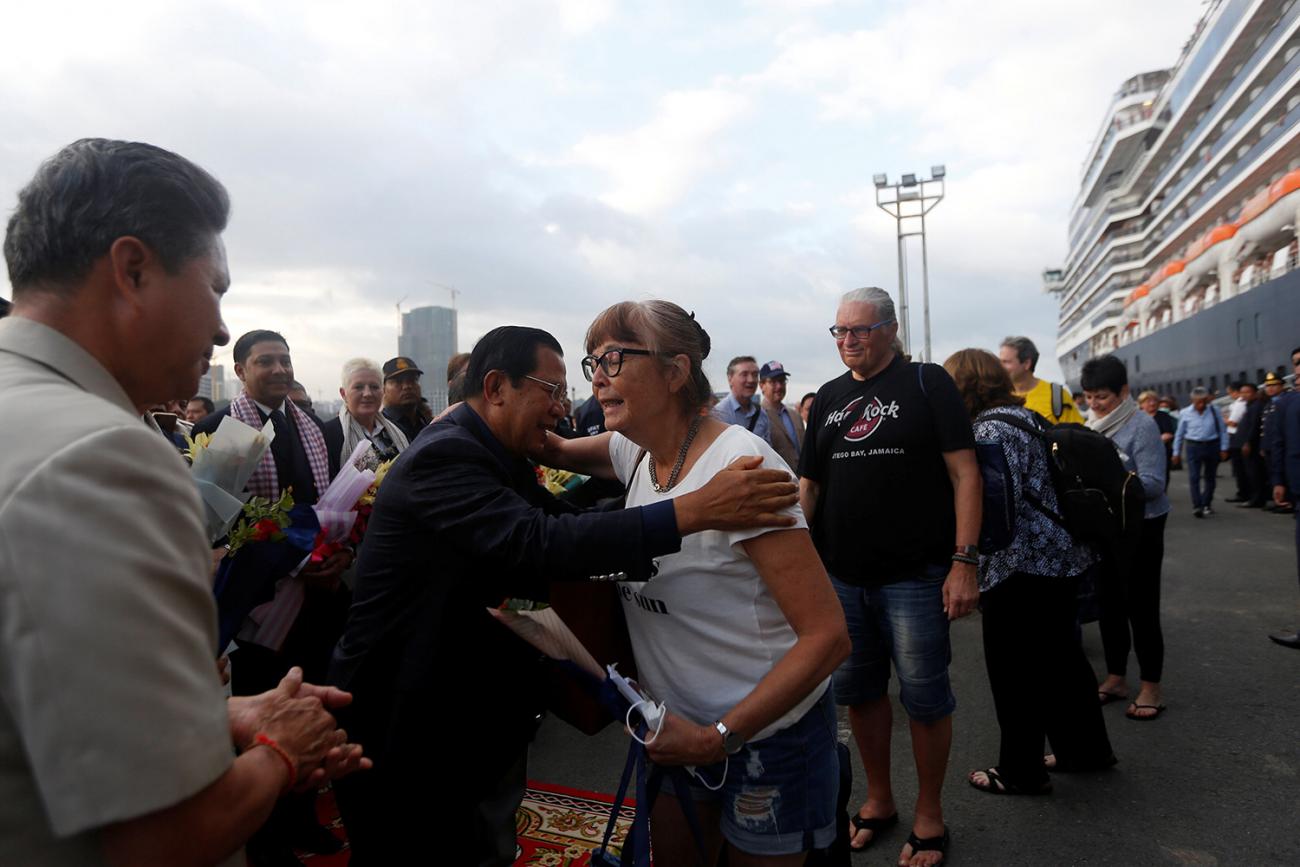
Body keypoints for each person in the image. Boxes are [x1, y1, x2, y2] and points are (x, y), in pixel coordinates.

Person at [0, 137, 366, 866]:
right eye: (217, 289)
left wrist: (212, 714)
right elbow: (162, 837)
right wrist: (282, 752)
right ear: (133, 270)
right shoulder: (105, 457)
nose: (223, 328)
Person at [328, 325, 803, 866]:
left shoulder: (493, 447)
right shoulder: (447, 455)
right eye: (551, 391)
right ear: (496, 386)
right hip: (409, 718)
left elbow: (562, 520)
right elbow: (541, 541)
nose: (563, 407)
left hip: (468, 710)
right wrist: (695, 510)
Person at [544, 301, 849, 864]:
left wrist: (718, 737)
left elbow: (828, 637)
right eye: (592, 364)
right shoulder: (636, 451)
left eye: (613, 357)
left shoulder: (741, 467)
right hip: (671, 731)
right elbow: (550, 447)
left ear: (676, 370)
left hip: (765, 738)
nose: (599, 376)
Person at [799, 287, 981, 867]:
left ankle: (930, 814)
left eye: (860, 330)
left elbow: (965, 474)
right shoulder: (827, 398)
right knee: (861, 694)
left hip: (917, 577)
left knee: (926, 699)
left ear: (891, 328)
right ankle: (879, 800)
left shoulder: (928, 384)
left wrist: (964, 561)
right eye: (839, 332)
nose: (848, 342)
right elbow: (810, 489)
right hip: (842, 579)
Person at [192, 329, 352, 865]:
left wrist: (336, 554)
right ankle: (265, 838)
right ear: (240, 370)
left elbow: (329, 503)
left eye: (286, 360)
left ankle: (303, 819)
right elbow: (208, 526)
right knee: (264, 721)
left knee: (306, 706)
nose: (280, 370)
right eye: (266, 361)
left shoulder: (309, 428)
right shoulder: (226, 429)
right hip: (256, 609)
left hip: (313, 596)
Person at [941, 349, 1112, 796]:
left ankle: (1020, 771)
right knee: (1063, 662)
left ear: (963, 386)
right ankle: (1085, 749)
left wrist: (968, 562)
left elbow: (998, 509)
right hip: (1059, 557)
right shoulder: (1022, 416)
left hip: (1020, 567)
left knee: (1014, 672)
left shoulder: (987, 430)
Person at [1081, 356, 1171, 721]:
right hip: (1106, 528)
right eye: (1088, 397)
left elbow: (1153, 484)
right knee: (1109, 604)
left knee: (1143, 606)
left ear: (1123, 392)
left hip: (1143, 526)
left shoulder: (1142, 426)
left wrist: (1107, 477)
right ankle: (1116, 677)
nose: (1094, 404)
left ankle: (1151, 686)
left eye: (1102, 396)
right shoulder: (1091, 424)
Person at [1266, 346, 1300, 649]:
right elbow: (1279, 443)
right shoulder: (1288, 403)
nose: (1298, 370)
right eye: (1296, 364)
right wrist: (1278, 481)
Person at [322, 357, 410, 471]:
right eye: (358, 387)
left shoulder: (399, 431)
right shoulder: (328, 436)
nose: (367, 394)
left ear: (383, 391)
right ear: (343, 394)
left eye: (374, 387)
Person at [998, 336, 1085, 425]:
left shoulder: (1057, 395)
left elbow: (1077, 434)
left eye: (1006, 362)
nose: (1000, 366)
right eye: (999, 362)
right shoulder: (997, 396)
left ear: (1027, 363)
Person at [1171, 386, 1229, 517]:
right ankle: (1197, 506)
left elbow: (1223, 430)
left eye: (1204, 401)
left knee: (1210, 477)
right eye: (1198, 402)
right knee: (1194, 477)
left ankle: (1206, 503)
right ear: (1193, 400)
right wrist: (1176, 453)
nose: (1201, 404)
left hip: (1212, 445)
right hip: (1193, 446)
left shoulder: (1215, 411)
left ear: (1207, 399)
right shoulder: (1185, 413)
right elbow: (1179, 434)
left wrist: (1224, 448)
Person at [711, 354, 772, 444]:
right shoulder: (718, 414)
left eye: (755, 375)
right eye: (744, 374)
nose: (751, 380)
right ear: (730, 378)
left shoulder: (761, 414)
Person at [759, 359, 805, 473]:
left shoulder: (795, 415)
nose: (779, 386)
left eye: (782, 381)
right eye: (773, 382)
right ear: (762, 385)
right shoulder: (758, 416)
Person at [1261, 372, 1293, 514]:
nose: (1270, 388)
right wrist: (1264, 445)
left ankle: (1287, 502)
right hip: (1270, 446)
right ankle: (1280, 500)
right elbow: (1266, 428)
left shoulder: (1285, 402)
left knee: (1283, 474)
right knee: (1274, 473)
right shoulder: (1270, 403)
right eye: (1268, 386)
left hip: (1280, 445)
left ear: (1282, 386)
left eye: (1274, 385)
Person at [379, 355, 427, 443]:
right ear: (383, 389)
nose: (407, 386)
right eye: (398, 382)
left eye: (413, 380)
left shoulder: (429, 423)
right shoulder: (379, 429)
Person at [1139, 390, 1176, 488]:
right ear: (1141, 404)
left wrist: (1152, 442)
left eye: (1155, 400)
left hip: (1162, 452)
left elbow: (1168, 434)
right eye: (1148, 401)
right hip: (1141, 453)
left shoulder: (1163, 416)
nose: (1152, 403)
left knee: (1163, 477)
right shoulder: (1137, 418)